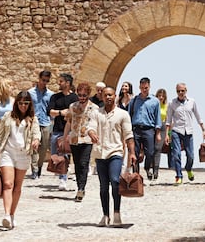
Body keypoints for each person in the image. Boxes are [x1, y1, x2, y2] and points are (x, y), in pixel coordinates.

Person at [87, 86, 136, 227]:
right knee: (103, 186)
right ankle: (105, 215)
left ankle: (117, 213)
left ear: (115, 96)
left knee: (115, 181)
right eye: (106, 95)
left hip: (115, 152)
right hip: (100, 153)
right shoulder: (96, 113)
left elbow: (129, 135)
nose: (108, 97)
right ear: (102, 96)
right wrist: (91, 133)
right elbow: (91, 126)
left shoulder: (123, 114)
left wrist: (132, 153)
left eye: (111, 95)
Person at [0, 90, 41, 229]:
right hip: (8, 152)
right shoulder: (7, 116)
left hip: (23, 154)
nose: (22, 106)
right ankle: (6, 215)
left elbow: (36, 133)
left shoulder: (33, 119)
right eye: (20, 103)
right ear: (17, 103)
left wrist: (36, 140)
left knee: (17, 186)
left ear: (29, 104)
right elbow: (0, 135)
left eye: (25, 103)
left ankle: (12, 214)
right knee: (8, 184)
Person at [165, 83, 205, 185]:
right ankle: (178, 176)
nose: (180, 93)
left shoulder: (191, 102)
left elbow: (198, 117)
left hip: (188, 132)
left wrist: (204, 130)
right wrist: (167, 134)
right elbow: (168, 120)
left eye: (182, 91)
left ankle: (188, 168)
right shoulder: (172, 103)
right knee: (176, 154)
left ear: (186, 91)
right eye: (178, 91)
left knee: (191, 155)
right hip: (176, 130)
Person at [62, 82, 99, 202]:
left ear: (88, 94)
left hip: (87, 140)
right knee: (77, 165)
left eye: (84, 95)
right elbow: (68, 122)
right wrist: (64, 137)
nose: (82, 98)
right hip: (74, 139)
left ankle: (81, 189)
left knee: (84, 163)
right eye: (80, 95)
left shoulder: (94, 108)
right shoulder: (73, 106)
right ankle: (79, 186)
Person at [47, 73, 78, 190]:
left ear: (67, 83)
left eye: (61, 81)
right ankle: (62, 177)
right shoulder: (55, 97)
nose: (59, 83)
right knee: (58, 155)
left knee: (67, 154)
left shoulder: (75, 98)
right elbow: (50, 111)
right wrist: (61, 112)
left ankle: (65, 177)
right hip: (57, 130)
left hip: (71, 131)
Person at [128, 77, 162, 180]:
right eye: (142, 87)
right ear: (139, 87)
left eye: (146, 87)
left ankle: (147, 168)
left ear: (149, 87)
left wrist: (158, 133)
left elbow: (158, 117)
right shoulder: (134, 101)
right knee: (135, 153)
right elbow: (129, 116)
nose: (144, 89)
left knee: (150, 152)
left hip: (149, 129)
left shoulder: (155, 101)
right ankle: (136, 176)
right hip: (136, 129)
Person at [28, 70, 54, 179]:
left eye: (47, 81)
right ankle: (34, 170)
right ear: (39, 78)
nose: (44, 83)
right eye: (43, 80)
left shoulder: (50, 94)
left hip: (46, 122)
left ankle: (39, 166)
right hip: (34, 122)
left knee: (43, 148)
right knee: (34, 146)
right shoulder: (30, 93)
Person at [153, 88, 171, 180]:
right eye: (159, 96)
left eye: (162, 96)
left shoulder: (166, 106)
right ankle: (150, 166)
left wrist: (168, 133)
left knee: (158, 148)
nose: (160, 98)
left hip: (163, 126)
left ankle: (156, 170)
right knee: (151, 149)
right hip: (153, 126)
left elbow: (169, 119)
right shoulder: (153, 105)